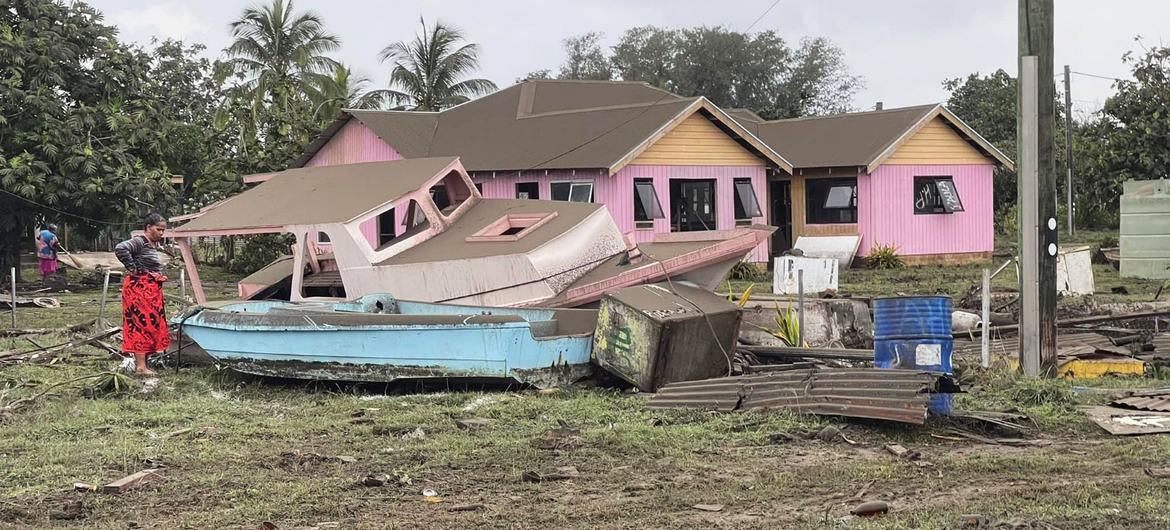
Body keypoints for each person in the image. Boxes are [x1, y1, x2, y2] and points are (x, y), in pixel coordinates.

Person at [114, 213, 170, 375]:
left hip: (150, 289)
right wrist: (133, 269)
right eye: (158, 229)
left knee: (151, 324)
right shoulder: (139, 241)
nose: (161, 233)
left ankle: (144, 363)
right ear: (148, 228)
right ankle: (140, 367)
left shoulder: (150, 244)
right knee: (141, 323)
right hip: (139, 289)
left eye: (163, 230)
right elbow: (120, 248)